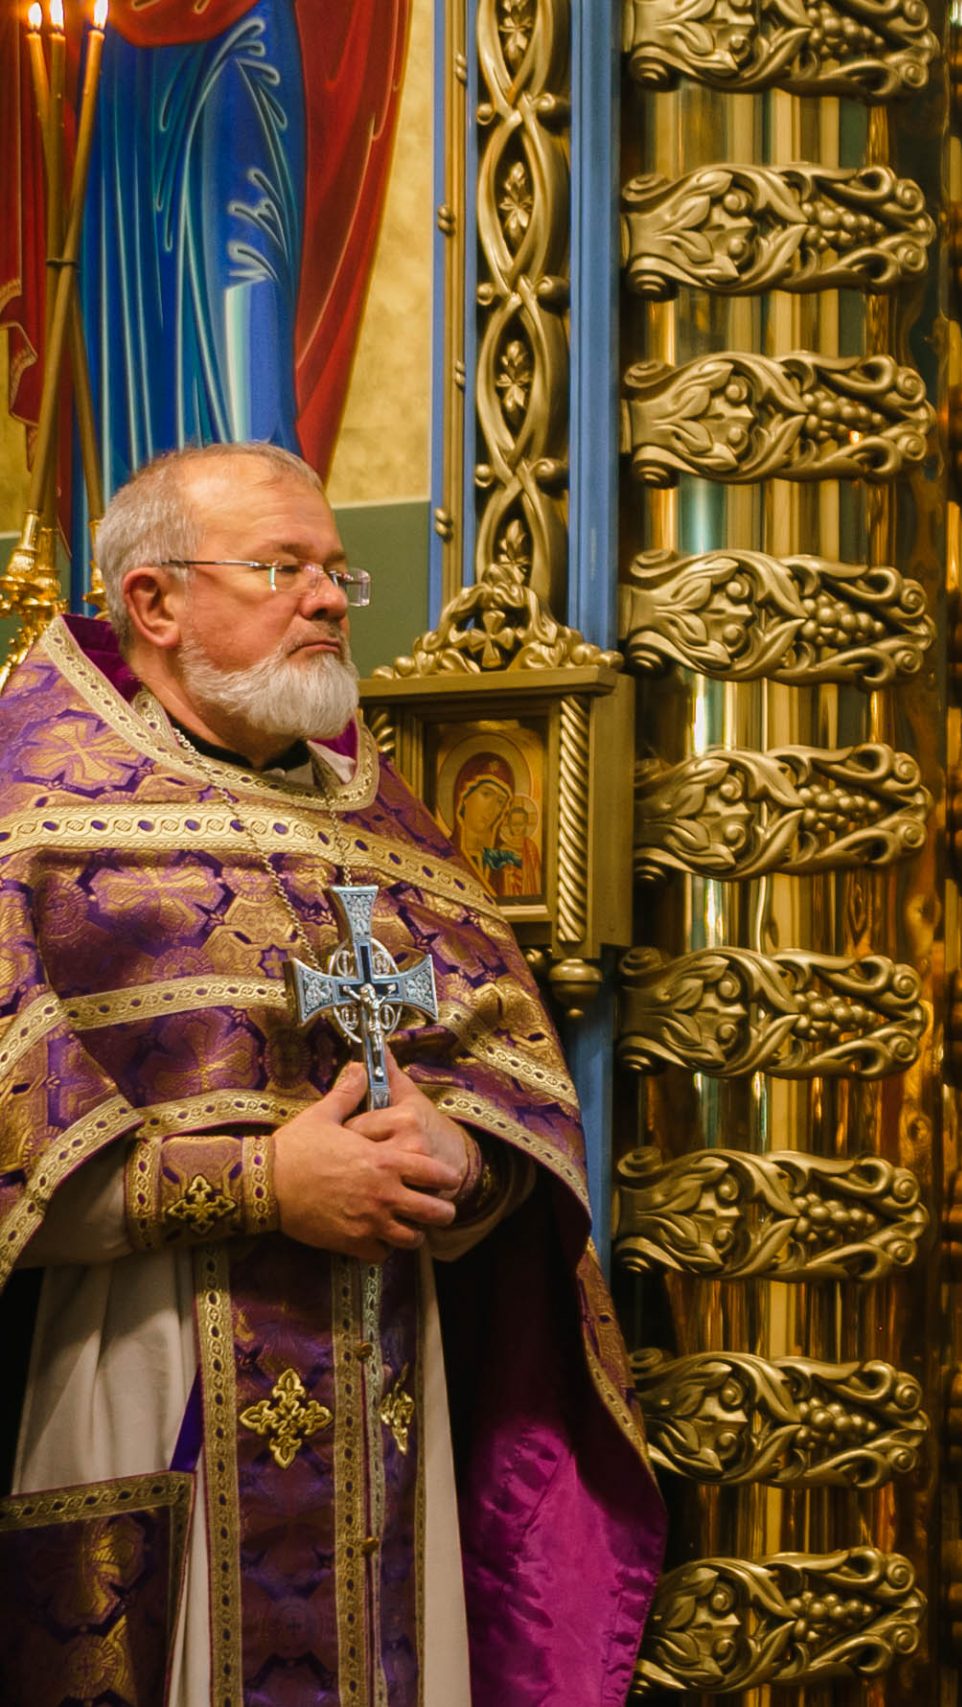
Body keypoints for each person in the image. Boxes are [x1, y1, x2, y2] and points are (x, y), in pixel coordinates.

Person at [0, 442, 662, 1702]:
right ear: (153, 601)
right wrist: (266, 1184)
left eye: (336, 573)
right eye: (283, 568)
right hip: (139, 1371)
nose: (325, 600)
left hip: (391, 1392)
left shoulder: (382, 825)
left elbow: (504, 1074)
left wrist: (463, 1162)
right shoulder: (28, 808)